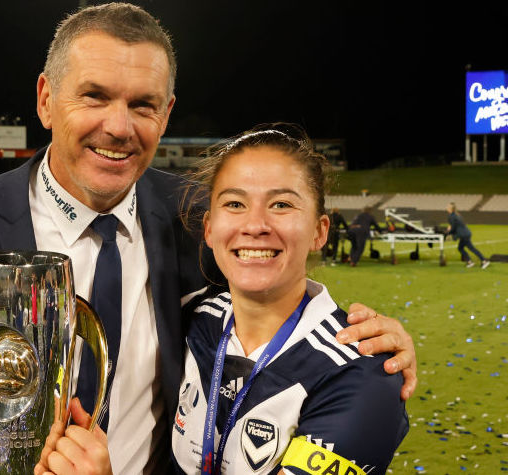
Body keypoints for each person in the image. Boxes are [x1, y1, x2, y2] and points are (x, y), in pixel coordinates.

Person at [0, 4, 417, 474]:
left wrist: (372, 348)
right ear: (46, 99)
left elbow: (271, 287)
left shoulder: (199, 219)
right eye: (94, 96)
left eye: (143, 105)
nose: (119, 127)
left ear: (165, 114)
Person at [171, 124, 408, 474]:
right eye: (235, 203)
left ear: (319, 231)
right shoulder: (192, 318)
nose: (255, 224)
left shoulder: (362, 374)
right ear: (208, 229)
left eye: (281, 204)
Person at [445, 202, 490, 269]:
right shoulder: (458, 215)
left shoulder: (451, 217)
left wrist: (448, 233)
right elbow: (457, 226)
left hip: (463, 235)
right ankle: (470, 262)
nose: (446, 208)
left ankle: (484, 261)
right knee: (461, 248)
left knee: (471, 248)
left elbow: (453, 228)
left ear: (450, 209)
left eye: (447, 207)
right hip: (466, 233)